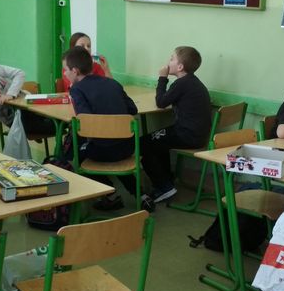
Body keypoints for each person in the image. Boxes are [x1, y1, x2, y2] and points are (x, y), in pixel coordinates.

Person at [63, 46, 140, 210]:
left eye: (66, 70)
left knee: (74, 153)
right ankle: (141, 195)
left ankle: (110, 196)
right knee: (111, 146)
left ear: (75, 71)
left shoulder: (77, 89)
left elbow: (86, 121)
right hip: (127, 148)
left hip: (102, 151)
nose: (65, 74)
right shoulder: (113, 83)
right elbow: (133, 109)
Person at [135, 46, 210, 208]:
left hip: (187, 135)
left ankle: (164, 187)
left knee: (142, 144)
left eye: (171, 59)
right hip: (198, 135)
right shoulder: (193, 82)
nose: (168, 62)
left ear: (180, 67)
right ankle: (167, 180)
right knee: (157, 140)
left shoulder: (181, 84)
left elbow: (161, 102)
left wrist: (162, 78)